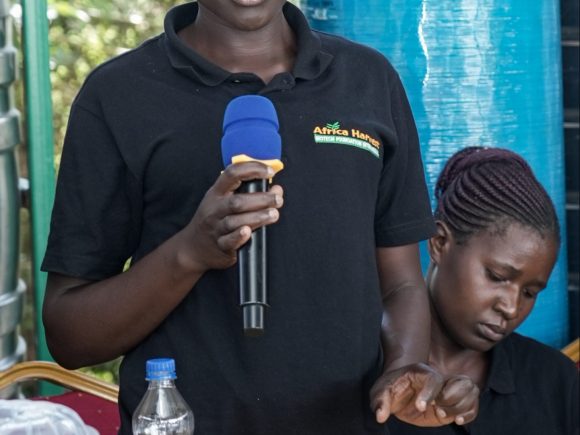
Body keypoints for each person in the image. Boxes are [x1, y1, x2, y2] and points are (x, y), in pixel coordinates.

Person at [41, 1, 478, 433]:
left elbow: (401, 284)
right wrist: (190, 252)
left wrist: (402, 369)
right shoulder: (118, 95)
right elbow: (70, 334)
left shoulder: (368, 80)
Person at [387, 146, 579, 435]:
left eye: (529, 292)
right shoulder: (372, 378)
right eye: (497, 276)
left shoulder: (555, 381)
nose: (511, 308)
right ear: (439, 242)